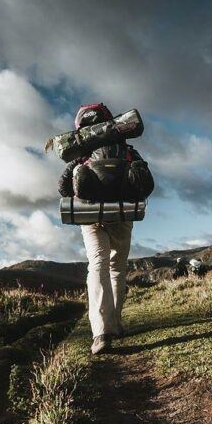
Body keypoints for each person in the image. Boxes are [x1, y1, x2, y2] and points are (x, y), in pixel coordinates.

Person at [58, 103, 141, 355]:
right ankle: (115, 324)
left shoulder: (81, 151)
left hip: (90, 215)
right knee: (117, 268)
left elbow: (63, 187)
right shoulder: (125, 148)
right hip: (122, 214)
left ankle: (101, 333)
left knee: (97, 266)